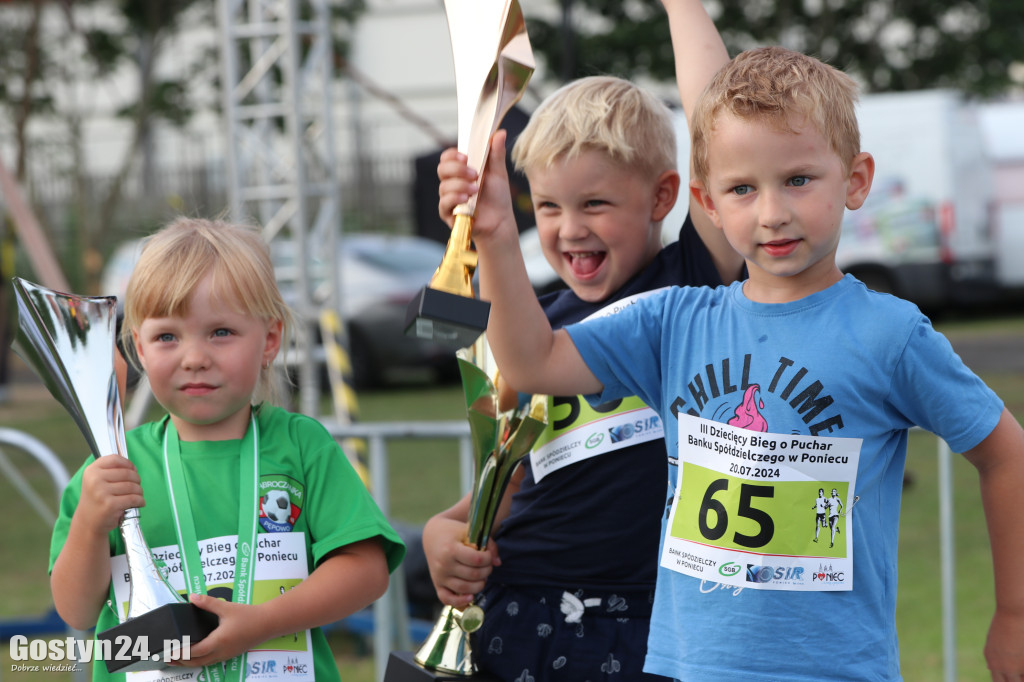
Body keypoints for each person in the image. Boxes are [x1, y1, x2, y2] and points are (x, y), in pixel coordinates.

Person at [449, 44, 1024, 680]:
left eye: (798, 180)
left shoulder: (890, 334)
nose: (772, 212)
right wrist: (498, 238)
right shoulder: (670, 320)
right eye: (743, 189)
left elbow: (1005, 452)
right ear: (710, 203)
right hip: (686, 667)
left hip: (834, 669)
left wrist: (1015, 614)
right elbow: (531, 363)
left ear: (856, 180)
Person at [422, 2, 743, 680]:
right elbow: (498, 486)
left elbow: (721, 124)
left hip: (663, 625)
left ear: (663, 198)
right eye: (548, 208)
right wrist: (442, 533)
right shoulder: (531, 330)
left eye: (595, 204)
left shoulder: (694, 282)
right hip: (525, 620)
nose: (569, 229)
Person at [49, 218, 406, 682]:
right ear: (138, 347)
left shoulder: (301, 447)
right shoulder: (111, 470)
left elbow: (367, 571)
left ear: (270, 340)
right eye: (167, 337)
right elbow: (77, 610)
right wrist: (91, 525)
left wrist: (260, 624)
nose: (194, 356)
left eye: (220, 332)